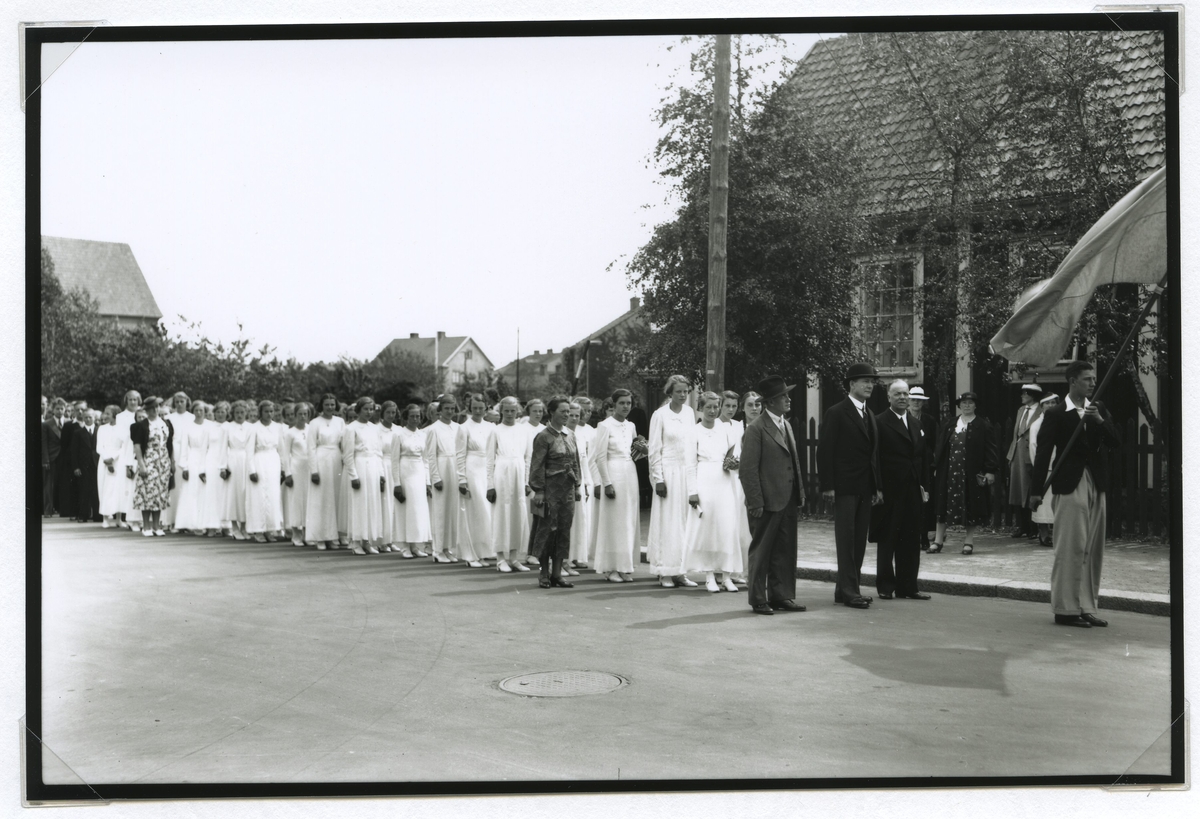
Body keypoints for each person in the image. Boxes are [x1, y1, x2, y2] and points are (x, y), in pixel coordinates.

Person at [1030, 362, 1121, 628]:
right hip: (1070, 483)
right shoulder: (1057, 413)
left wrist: (1099, 420)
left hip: (1096, 482)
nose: (1092, 383)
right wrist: (1036, 492)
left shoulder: (1098, 408)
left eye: (1094, 379)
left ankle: (1085, 606)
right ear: (1072, 381)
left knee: (1093, 548)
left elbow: (1115, 441)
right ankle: (1065, 609)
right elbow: (1043, 453)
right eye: (1087, 379)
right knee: (1070, 546)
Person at [740, 375, 807, 614]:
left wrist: (799, 493)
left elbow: (794, 462)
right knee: (762, 551)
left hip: (786, 498)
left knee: (785, 550)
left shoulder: (785, 424)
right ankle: (758, 598)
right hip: (766, 502)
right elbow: (747, 470)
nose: (788, 399)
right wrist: (755, 501)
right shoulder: (756, 428)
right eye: (783, 396)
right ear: (769, 402)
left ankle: (782, 596)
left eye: (787, 395)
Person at [817, 363, 881, 609]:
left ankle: (844, 590)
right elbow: (825, 451)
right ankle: (850, 591)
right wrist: (828, 486)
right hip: (844, 487)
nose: (870, 386)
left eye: (872, 382)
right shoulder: (836, 412)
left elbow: (873, 455)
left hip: (864, 487)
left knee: (858, 540)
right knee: (846, 541)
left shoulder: (869, 414)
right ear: (852, 384)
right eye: (865, 381)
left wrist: (876, 486)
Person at [869, 380, 932, 601]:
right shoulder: (879, 422)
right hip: (890, 490)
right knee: (888, 538)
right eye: (897, 394)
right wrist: (877, 488)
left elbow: (922, 458)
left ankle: (908, 586)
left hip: (913, 489)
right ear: (889, 397)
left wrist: (924, 487)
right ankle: (886, 585)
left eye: (905, 394)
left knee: (911, 538)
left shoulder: (916, 423)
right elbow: (874, 458)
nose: (903, 398)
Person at [683, 391, 742, 592]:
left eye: (716, 407)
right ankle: (709, 575)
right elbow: (690, 464)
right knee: (707, 529)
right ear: (701, 408)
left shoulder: (725, 429)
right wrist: (692, 491)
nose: (712, 410)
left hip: (724, 481)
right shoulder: (694, 431)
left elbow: (734, 454)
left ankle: (726, 576)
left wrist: (734, 463)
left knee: (726, 527)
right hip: (704, 480)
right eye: (708, 407)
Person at [646, 375, 699, 588]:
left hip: (686, 473)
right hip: (667, 473)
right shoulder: (660, 415)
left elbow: (692, 445)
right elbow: (654, 449)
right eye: (679, 391)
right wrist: (658, 479)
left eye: (686, 391)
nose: (683, 395)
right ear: (670, 392)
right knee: (667, 523)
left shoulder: (689, 413)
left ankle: (680, 572)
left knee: (684, 523)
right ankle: (665, 572)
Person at [931, 392, 999, 555]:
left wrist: (990, 470)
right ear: (959, 405)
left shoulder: (983, 426)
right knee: (943, 504)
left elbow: (991, 450)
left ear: (975, 405)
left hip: (971, 472)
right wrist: (936, 466)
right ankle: (938, 541)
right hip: (949, 470)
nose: (966, 405)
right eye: (963, 403)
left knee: (971, 504)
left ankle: (968, 541)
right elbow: (940, 447)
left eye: (970, 402)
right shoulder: (950, 424)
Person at [528, 395, 583, 589]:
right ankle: (544, 573)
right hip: (549, 490)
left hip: (567, 490)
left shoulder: (571, 435)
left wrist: (577, 486)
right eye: (563, 411)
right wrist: (539, 491)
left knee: (564, 530)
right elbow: (537, 465)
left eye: (569, 411)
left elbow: (576, 462)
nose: (567, 415)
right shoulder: (543, 436)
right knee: (547, 530)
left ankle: (557, 574)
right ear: (551, 412)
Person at [592, 389, 641, 583]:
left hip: (630, 474)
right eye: (622, 403)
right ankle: (610, 567)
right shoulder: (604, 425)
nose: (626, 406)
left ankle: (624, 566)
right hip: (613, 473)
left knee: (628, 520)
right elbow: (600, 457)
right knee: (614, 522)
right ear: (614, 405)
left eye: (628, 403)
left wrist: (643, 450)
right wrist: (607, 483)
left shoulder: (631, 426)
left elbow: (634, 453)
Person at [486, 396, 532, 572]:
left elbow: (528, 458)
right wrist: (490, 485)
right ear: (501, 411)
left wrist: (526, 482)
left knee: (517, 515)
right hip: (502, 474)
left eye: (513, 410)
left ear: (518, 411)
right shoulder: (495, 431)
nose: (510, 414)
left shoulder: (523, 430)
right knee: (501, 514)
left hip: (518, 474)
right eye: (506, 411)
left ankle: (514, 557)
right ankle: (500, 558)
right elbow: (489, 460)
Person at [341, 397, 386, 555]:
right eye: (365, 409)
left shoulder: (375, 428)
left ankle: (366, 541)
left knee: (371, 504)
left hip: (373, 468)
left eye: (371, 409)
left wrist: (381, 473)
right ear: (358, 410)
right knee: (358, 504)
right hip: (359, 466)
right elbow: (348, 455)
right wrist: (353, 476)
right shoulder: (351, 428)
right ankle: (355, 542)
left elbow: (378, 452)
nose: (368, 412)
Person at [456, 394, 495, 568]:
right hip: (472, 471)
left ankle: (484, 552)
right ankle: (470, 555)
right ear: (470, 408)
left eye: (481, 407)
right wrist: (462, 479)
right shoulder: (464, 428)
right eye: (475, 408)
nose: (478, 411)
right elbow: (460, 455)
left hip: (488, 471)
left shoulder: (491, 427)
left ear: (486, 407)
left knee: (487, 513)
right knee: (474, 512)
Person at [724, 390, 758, 585]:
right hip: (738, 482)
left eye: (757, 404)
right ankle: (737, 571)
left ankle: (753, 571)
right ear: (743, 408)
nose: (754, 408)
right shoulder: (736, 427)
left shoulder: (765, 426)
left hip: (759, 482)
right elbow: (728, 453)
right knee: (740, 527)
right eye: (750, 405)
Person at [425, 395, 463, 563]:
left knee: (452, 511)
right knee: (440, 511)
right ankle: (438, 550)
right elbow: (431, 456)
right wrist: (435, 477)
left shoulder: (458, 428)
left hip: (455, 469)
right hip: (442, 468)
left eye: (452, 408)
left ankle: (448, 549)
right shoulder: (433, 429)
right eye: (446, 408)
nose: (449, 411)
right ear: (440, 410)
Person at [392, 404, 433, 559]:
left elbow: (426, 460)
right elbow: (394, 461)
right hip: (405, 472)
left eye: (418, 416)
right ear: (406, 417)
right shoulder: (399, 434)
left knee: (417, 510)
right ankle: (405, 546)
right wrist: (397, 484)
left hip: (419, 473)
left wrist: (427, 481)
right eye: (412, 416)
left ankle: (415, 545)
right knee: (406, 509)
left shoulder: (423, 435)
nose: (415, 419)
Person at [306, 394, 346, 550]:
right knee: (321, 499)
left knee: (335, 498)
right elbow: (310, 448)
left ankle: (334, 536)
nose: (330, 407)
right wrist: (314, 470)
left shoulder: (340, 421)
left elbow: (344, 444)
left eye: (332, 404)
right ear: (321, 406)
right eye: (327, 404)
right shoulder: (314, 423)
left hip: (336, 460)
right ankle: (320, 537)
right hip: (321, 460)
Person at [131, 396, 175, 537]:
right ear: (146, 410)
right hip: (149, 459)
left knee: (160, 494)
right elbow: (137, 446)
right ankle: (146, 526)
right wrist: (141, 464)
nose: (154, 410)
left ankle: (156, 526)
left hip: (163, 461)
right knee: (147, 493)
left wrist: (172, 462)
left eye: (156, 407)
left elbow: (169, 444)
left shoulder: (166, 424)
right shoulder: (141, 425)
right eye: (151, 408)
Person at [1007, 383, 1044, 539]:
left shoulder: (1041, 411)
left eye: (1025, 393)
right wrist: (1011, 455)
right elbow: (1016, 434)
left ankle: (1033, 528)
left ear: (1033, 395)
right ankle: (1022, 526)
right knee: (1018, 491)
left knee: (1030, 490)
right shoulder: (1021, 410)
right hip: (1017, 454)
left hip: (1031, 454)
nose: (1022, 396)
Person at [245, 400, 285, 543]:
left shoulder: (278, 427)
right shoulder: (254, 428)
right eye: (266, 411)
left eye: (271, 411)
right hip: (259, 461)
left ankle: (270, 530)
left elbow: (282, 449)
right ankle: (258, 530)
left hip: (273, 462)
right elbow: (249, 451)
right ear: (260, 412)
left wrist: (283, 468)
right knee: (259, 496)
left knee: (273, 497)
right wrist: (252, 470)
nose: (269, 414)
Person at [570, 395, 600, 570]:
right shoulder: (570, 430)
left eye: (589, 411)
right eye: (582, 411)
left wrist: (593, 482)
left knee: (584, 519)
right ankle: (568, 557)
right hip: (573, 477)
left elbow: (592, 459)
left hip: (586, 476)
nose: (585, 415)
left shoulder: (592, 431)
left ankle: (580, 554)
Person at [907, 386, 939, 549]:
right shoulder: (903, 418)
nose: (916, 403)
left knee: (924, 500)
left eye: (919, 400)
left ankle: (924, 537)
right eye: (913, 400)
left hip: (925, 465)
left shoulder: (929, 421)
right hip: (907, 465)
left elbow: (935, 444)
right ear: (908, 401)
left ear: (923, 403)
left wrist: (934, 465)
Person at [1027, 392, 1060, 548]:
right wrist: (1040, 468)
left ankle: (1057, 534)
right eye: (1048, 403)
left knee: (1057, 503)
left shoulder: (1059, 421)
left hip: (1059, 467)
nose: (1051, 406)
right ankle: (1044, 533)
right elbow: (1034, 447)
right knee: (1043, 503)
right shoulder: (1036, 425)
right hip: (1045, 469)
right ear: (1041, 406)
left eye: (1054, 403)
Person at [173, 401, 210, 534]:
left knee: (205, 492)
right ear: (193, 412)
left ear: (205, 412)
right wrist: (185, 467)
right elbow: (184, 448)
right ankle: (190, 523)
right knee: (191, 490)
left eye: (201, 410)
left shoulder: (209, 426)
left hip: (207, 459)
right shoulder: (188, 426)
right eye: (196, 410)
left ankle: (205, 523)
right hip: (192, 459)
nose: (199, 413)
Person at [564, 401, 591, 576]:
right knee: (566, 523)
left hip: (579, 483)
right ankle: (562, 561)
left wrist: (586, 483)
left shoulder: (579, 436)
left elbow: (583, 462)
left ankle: (573, 557)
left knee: (578, 521)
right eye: (571, 415)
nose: (574, 418)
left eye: (577, 415)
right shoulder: (562, 435)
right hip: (566, 483)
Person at [221, 400, 253, 541]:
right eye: (237, 412)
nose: (239, 415)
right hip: (233, 461)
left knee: (245, 493)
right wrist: (223, 466)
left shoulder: (251, 427)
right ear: (233, 413)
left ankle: (244, 527)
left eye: (242, 412)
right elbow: (223, 449)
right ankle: (234, 527)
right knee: (234, 494)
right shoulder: (227, 427)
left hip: (247, 460)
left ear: (246, 413)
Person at [162, 391, 194, 532]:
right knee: (173, 487)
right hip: (174, 451)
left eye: (182, 401)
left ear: (187, 402)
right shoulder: (168, 418)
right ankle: (171, 521)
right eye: (177, 402)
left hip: (189, 452)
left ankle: (186, 522)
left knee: (186, 487)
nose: (180, 404)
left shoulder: (192, 417)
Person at [521, 398, 547, 566]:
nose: (538, 414)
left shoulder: (545, 429)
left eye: (540, 411)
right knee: (530, 516)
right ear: (528, 412)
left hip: (543, 477)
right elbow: (525, 457)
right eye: (535, 411)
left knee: (541, 516)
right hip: (528, 476)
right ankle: (529, 552)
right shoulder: (522, 429)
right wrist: (526, 482)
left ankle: (537, 551)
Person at [282, 402, 312, 546]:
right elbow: (285, 454)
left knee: (308, 501)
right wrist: (287, 473)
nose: (302, 416)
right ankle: (296, 535)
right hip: (296, 469)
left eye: (305, 414)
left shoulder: (311, 429)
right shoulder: (290, 433)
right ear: (295, 415)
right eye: (300, 414)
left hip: (309, 469)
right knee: (296, 501)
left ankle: (307, 533)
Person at [114, 390, 143, 531]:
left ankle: (140, 519)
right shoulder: (121, 416)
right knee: (127, 487)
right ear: (126, 401)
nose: (133, 402)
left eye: (135, 399)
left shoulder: (142, 414)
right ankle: (127, 519)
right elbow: (121, 437)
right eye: (130, 399)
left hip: (140, 451)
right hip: (127, 451)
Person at [201, 401, 230, 537]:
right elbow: (203, 448)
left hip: (227, 460)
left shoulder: (230, 427)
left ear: (227, 413)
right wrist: (202, 468)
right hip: (212, 461)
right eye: (217, 412)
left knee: (225, 494)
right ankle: (211, 526)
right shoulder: (208, 428)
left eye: (223, 412)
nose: (220, 414)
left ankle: (226, 526)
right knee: (212, 494)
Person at [70, 408, 101, 523]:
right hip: (84, 465)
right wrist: (76, 467)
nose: (88, 419)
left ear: (94, 418)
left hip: (97, 464)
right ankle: (83, 515)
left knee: (97, 489)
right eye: (86, 417)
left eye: (90, 417)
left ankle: (98, 515)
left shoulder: (99, 431)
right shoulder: (78, 433)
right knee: (84, 490)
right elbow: (74, 451)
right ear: (83, 418)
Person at [95, 405, 124, 528]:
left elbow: (124, 447)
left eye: (108, 413)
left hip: (118, 460)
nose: (105, 416)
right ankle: (105, 519)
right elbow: (99, 447)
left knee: (118, 489)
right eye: (104, 413)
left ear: (115, 415)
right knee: (105, 488)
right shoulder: (102, 429)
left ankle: (119, 519)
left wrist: (113, 458)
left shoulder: (123, 428)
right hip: (104, 460)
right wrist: (107, 459)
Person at [41, 397, 67, 517]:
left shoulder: (69, 422)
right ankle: (48, 510)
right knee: (49, 484)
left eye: (62, 408)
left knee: (64, 483)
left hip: (65, 457)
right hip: (52, 457)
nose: (59, 411)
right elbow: (44, 443)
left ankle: (64, 510)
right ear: (52, 409)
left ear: (65, 409)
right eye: (57, 409)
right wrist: (45, 460)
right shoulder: (46, 424)